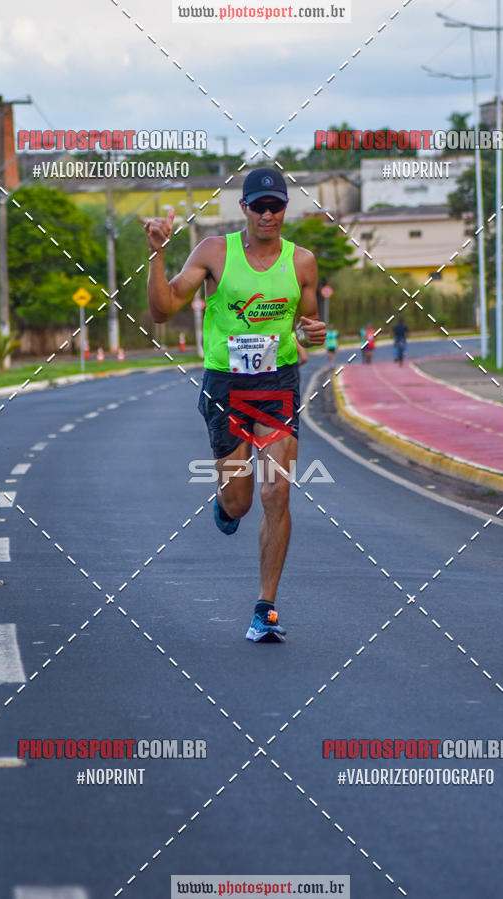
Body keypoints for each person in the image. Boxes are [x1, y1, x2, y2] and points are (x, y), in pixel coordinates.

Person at [144, 168, 326, 643]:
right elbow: (163, 311)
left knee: (276, 494)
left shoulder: (302, 261)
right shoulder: (214, 253)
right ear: (243, 209)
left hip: (278, 383)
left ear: (287, 208)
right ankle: (225, 507)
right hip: (226, 386)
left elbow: (309, 322)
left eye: (276, 206)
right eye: (258, 206)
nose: (268, 214)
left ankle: (265, 608)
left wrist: (313, 333)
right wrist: (158, 254)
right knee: (241, 501)